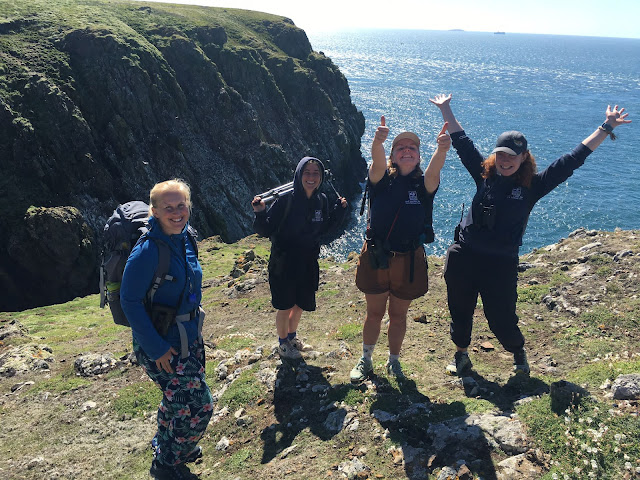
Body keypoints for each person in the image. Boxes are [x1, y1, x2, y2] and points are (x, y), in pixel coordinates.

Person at [430, 93, 631, 376]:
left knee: (501, 320)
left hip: (500, 263)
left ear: (524, 157)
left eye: (512, 156)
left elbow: (572, 160)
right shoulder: (484, 175)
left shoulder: (532, 186)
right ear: (494, 155)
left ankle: (518, 351)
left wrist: (605, 128)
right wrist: (446, 108)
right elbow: (462, 142)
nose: (505, 160)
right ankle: (461, 355)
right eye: (500, 154)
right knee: (460, 312)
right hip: (465, 255)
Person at [121, 179, 212, 480]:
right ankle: (168, 464)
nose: (176, 213)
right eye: (168, 207)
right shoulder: (148, 250)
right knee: (199, 405)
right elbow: (129, 301)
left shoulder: (187, 238)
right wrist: (156, 347)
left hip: (188, 336)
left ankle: (168, 445)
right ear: (155, 211)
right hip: (162, 343)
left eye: (181, 206)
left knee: (176, 398)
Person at [350, 116, 451, 382]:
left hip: (408, 259)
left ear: (418, 156)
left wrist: (441, 150)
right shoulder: (381, 180)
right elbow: (377, 164)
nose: (407, 151)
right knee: (374, 313)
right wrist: (378, 142)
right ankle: (366, 358)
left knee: (398, 315)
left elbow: (434, 171)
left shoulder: (424, 185)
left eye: (413, 148)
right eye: (401, 148)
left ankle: (393, 360)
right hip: (377, 256)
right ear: (393, 156)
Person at [252, 157, 347, 360]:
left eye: (316, 173)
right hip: (284, 263)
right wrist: (260, 213)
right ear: (298, 174)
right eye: (307, 172)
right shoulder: (285, 200)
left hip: (308, 262)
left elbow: (325, 229)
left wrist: (339, 212)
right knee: (285, 305)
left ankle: (292, 337)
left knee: (300, 303)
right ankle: (282, 343)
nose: (311, 177)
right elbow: (265, 229)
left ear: (321, 177)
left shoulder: (321, 201)